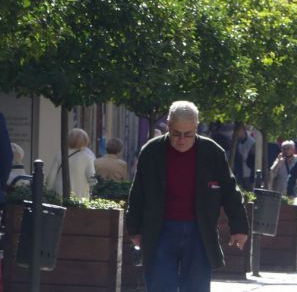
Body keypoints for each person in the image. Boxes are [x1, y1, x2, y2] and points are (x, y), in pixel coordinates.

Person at [126, 101, 249, 291]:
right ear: (168, 126)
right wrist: (134, 230)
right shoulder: (151, 151)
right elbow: (138, 193)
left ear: (196, 127)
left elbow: (230, 191)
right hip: (160, 231)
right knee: (160, 286)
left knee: (196, 288)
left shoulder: (212, 152)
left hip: (199, 232)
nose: (181, 140)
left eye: (188, 134)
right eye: (176, 134)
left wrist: (239, 228)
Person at [45, 128, 96, 199]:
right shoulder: (87, 157)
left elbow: (51, 177)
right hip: (79, 196)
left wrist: (48, 190)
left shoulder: (60, 154)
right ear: (85, 141)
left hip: (60, 194)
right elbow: (92, 179)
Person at [232, 125, 254, 190]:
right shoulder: (235, 141)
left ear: (243, 130)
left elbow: (248, 157)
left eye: (239, 130)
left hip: (247, 173)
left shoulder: (251, 142)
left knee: (247, 190)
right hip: (238, 172)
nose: (238, 132)